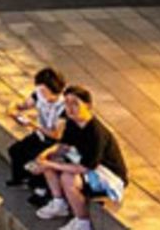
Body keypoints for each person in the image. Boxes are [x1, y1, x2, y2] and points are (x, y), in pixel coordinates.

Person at [34, 87, 129, 229]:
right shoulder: (72, 123)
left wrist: (50, 165)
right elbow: (63, 145)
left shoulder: (96, 133)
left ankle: (82, 222)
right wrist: (45, 155)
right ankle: (59, 203)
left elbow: (84, 167)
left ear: (88, 105)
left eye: (75, 104)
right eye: (66, 103)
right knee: (51, 160)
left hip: (107, 175)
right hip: (86, 166)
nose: (70, 108)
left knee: (68, 178)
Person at [7, 67, 70, 194]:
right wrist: (13, 109)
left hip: (54, 142)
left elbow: (57, 134)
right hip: (40, 134)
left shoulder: (65, 107)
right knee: (15, 151)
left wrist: (33, 124)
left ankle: (41, 188)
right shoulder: (38, 94)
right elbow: (23, 105)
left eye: (45, 91)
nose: (43, 94)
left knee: (37, 159)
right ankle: (20, 178)